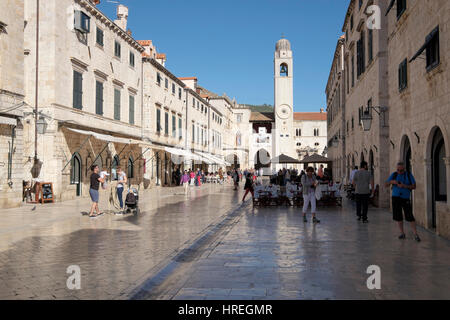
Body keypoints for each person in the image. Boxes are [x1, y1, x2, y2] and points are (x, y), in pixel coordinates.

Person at [385, 161, 421, 242]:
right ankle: (402, 233)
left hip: (405, 198)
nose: (399, 172)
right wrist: (391, 182)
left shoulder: (408, 175)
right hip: (395, 198)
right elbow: (385, 184)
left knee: (410, 216)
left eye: (401, 170)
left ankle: (415, 234)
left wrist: (404, 186)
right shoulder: (394, 175)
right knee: (398, 216)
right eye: (398, 170)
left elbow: (414, 186)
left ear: (404, 169)